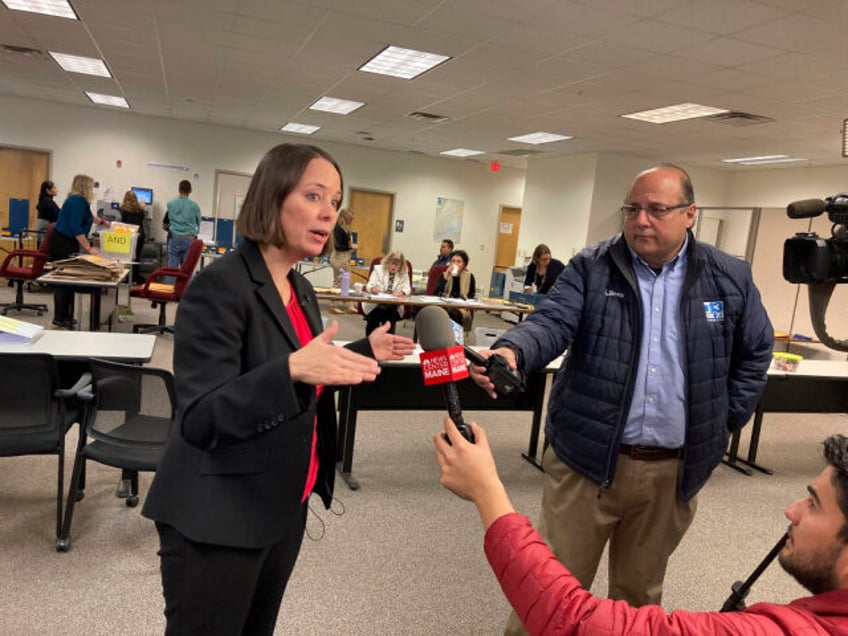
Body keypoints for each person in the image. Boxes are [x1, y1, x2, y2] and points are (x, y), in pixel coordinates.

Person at [470, 163, 773, 633]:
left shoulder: (729, 277)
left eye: (656, 209)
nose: (641, 220)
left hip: (671, 475)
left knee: (637, 604)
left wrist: (721, 424)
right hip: (586, 465)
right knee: (547, 595)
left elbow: (756, 351)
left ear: (690, 214)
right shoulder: (592, 267)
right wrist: (512, 351)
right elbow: (551, 323)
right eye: (632, 209)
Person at [141, 143, 415, 636]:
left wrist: (364, 350)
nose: (328, 212)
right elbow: (201, 416)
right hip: (217, 515)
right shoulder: (219, 286)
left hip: (281, 504)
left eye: (334, 200)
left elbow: (306, 370)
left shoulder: (299, 286)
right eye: (314, 195)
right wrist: (289, 369)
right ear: (272, 197)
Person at [435, 419, 848, 635]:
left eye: (813, 504)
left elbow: (576, 623)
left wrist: (488, 493)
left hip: (674, 471)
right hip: (587, 465)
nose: (791, 511)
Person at [48, 174, 111, 330]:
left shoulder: (78, 200)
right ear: (85, 186)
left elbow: (90, 217)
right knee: (65, 280)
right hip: (63, 241)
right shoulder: (78, 201)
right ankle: (59, 318)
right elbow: (75, 227)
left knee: (70, 280)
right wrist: (89, 249)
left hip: (66, 241)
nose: (92, 189)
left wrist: (106, 224)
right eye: (90, 186)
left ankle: (66, 316)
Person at [362, 250, 411, 335]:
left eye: (397, 265)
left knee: (390, 316)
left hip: (393, 306)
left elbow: (407, 289)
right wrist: (373, 289)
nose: (394, 267)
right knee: (373, 319)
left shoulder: (404, 274)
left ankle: (387, 341)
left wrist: (402, 292)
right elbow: (369, 285)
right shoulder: (378, 270)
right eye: (392, 264)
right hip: (376, 305)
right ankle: (370, 342)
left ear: (401, 265)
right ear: (387, 262)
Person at [434, 248, 476, 331]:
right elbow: (436, 293)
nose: (455, 264)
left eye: (458, 261)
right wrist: (446, 277)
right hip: (444, 305)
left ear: (464, 264)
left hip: (461, 307)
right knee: (446, 313)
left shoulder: (469, 276)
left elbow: (472, 294)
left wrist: (466, 298)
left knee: (454, 313)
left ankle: (455, 338)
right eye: (453, 261)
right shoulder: (444, 275)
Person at [165, 179, 201, 270]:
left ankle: (171, 284)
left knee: (172, 268)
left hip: (175, 238)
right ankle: (186, 284)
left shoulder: (170, 204)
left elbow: (168, 220)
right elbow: (198, 222)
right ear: (190, 191)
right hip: (189, 238)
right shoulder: (194, 206)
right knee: (187, 269)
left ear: (179, 190)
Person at [329, 206, 357, 314]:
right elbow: (338, 246)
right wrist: (351, 247)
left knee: (346, 281)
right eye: (351, 219)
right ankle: (333, 305)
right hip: (338, 258)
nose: (352, 221)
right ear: (345, 218)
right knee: (339, 282)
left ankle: (348, 305)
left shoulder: (346, 229)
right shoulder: (338, 229)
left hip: (344, 258)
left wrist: (350, 246)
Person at [118, 190, 146, 284]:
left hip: (126, 238)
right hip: (139, 237)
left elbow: (120, 224)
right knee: (136, 258)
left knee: (124, 258)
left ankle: (124, 278)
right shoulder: (141, 211)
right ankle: (134, 278)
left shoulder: (121, 210)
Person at [34, 179, 59, 246]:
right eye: (54, 188)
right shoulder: (48, 202)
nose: (57, 190)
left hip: (43, 232)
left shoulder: (45, 201)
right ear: (48, 190)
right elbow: (56, 215)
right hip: (45, 232)